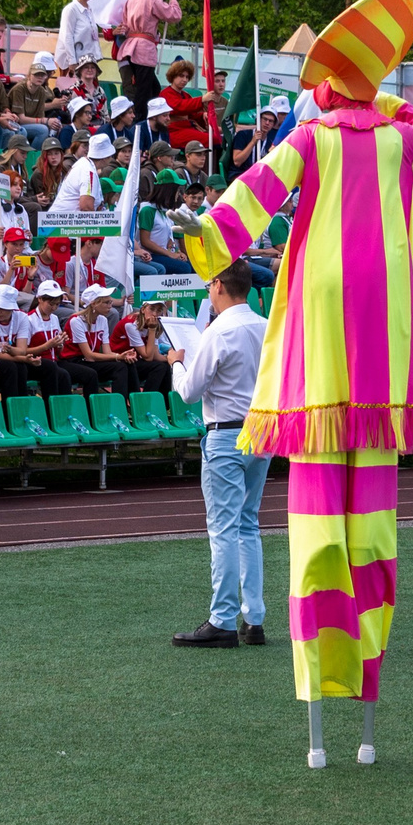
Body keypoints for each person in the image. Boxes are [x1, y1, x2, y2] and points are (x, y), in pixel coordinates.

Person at [167, 0, 413, 768]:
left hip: (322, 335)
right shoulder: (399, 139)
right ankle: (365, 692)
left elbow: (252, 196)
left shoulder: (314, 137)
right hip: (379, 335)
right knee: (373, 530)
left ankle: (321, 686)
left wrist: (201, 232)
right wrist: (386, 100)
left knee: (318, 528)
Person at [162, 260, 272, 648]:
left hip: (225, 431)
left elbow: (189, 392)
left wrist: (177, 364)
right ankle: (253, 618)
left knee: (223, 528)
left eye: (211, 284)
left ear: (220, 286)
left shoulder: (218, 330)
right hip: (260, 430)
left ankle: (222, 618)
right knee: (248, 524)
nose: (209, 290)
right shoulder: (266, 326)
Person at [114, 0, 182, 111]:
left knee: (153, 87)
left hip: (130, 47)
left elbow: (125, 23)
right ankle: (140, 119)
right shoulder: (153, 0)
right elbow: (175, 15)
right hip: (144, 49)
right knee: (144, 90)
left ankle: (148, 116)